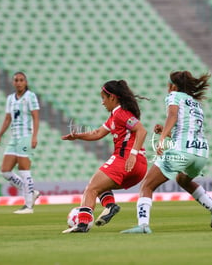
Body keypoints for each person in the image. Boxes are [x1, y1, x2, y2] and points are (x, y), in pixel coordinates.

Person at [121, 71, 212, 234]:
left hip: (182, 151)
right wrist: (165, 131)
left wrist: (162, 137)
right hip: (201, 152)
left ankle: (143, 226)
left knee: (147, 185)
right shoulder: (195, 104)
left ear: (173, 85)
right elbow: (187, 128)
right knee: (183, 180)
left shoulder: (174, 96)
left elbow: (172, 115)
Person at [62, 80, 149, 233]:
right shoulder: (114, 116)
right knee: (100, 186)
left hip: (126, 160)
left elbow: (141, 130)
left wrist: (132, 155)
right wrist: (78, 136)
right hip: (139, 168)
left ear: (112, 98)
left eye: (103, 98)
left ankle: (82, 224)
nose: (102, 102)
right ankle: (110, 206)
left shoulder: (121, 113)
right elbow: (97, 133)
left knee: (91, 189)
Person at [0, 72, 40, 214]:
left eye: (21, 80)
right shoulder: (10, 99)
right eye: (16, 80)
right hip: (14, 137)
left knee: (23, 169)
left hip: (25, 135)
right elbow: (8, 119)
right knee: (5, 171)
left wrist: (34, 136)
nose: (19, 82)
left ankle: (28, 206)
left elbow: (36, 117)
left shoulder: (30, 96)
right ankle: (31, 192)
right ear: (13, 83)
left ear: (25, 82)